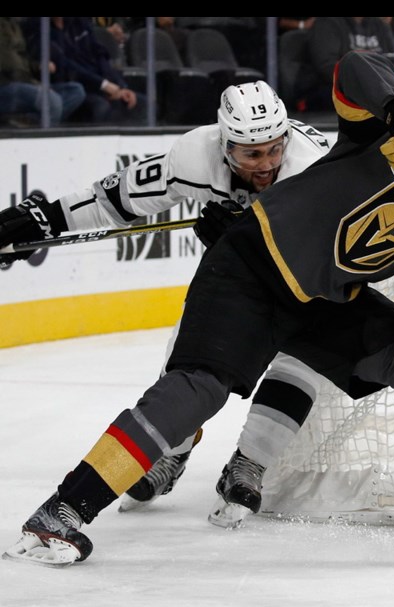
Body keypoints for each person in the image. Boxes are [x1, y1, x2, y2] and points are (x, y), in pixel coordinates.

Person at [2, 49, 394, 567]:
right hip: (251, 268)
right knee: (198, 388)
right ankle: (59, 515)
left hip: (323, 299)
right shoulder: (385, 139)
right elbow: (354, 68)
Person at [0, 80, 334, 512]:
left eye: (274, 149)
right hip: (241, 277)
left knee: (305, 354)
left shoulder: (313, 167)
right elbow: (116, 199)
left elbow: (326, 255)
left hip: (312, 279)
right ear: (225, 145)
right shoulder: (196, 155)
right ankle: (173, 453)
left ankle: (250, 461)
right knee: (190, 355)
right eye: (252, 154)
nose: (267, 164)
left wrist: (241, 237)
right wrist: (47, 220)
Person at [22, 17, 146, 125]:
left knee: (142, 103)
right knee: (100, 106)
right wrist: (103, 85)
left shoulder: (79, 22)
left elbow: (100, 54)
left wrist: (119, 86)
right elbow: (65, 66)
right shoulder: (37, 28)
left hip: (99, 84)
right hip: (69, 87)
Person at [294, 17, 394, 112]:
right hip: (332, 89)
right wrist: (367, 81)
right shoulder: (327, 22)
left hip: (376, 88)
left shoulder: (379, 24)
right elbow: (326, 66)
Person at [0, 17, 85, 126]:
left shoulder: (13, 24)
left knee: (76, 91)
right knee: (52, 101)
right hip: (6, 84)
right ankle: (38, 134)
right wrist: (37, 85)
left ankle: (30, 121)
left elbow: (23, 58)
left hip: (24, 81)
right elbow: (9, 63)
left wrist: (39, 65)